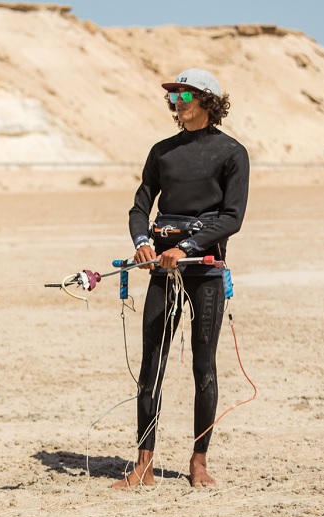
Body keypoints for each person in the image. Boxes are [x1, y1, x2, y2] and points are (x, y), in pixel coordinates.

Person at [112, 69, 249, 490]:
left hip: (204, 269)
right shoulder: (162, 152)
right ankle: (144, 464)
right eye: (174, 94)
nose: (178, 100)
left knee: (204, 366)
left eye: (186, 93)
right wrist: (142, 241)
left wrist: (186, 249)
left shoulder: (231, 152)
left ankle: (199, 461)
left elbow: (232, 217)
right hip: (162, 270)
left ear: (209, 100)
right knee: (151, 364)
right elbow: (140, 206)